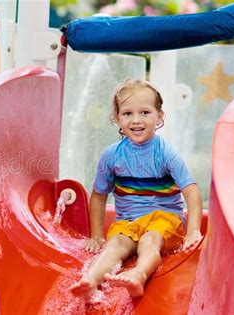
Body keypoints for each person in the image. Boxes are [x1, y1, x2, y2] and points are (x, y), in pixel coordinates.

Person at [70, 78, 203, 299]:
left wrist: (193, 231)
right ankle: (90, 281)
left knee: (149, 239)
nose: (136, 120)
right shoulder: (111, 156)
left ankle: (138, 275)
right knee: (115, 245)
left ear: (159, 117)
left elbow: (191, 191)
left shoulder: (166, 153)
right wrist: (96, 236)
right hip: (128, 221)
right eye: (127, 113)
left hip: (165, 219)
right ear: (117, 118)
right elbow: (99, 196)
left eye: (145, 112)